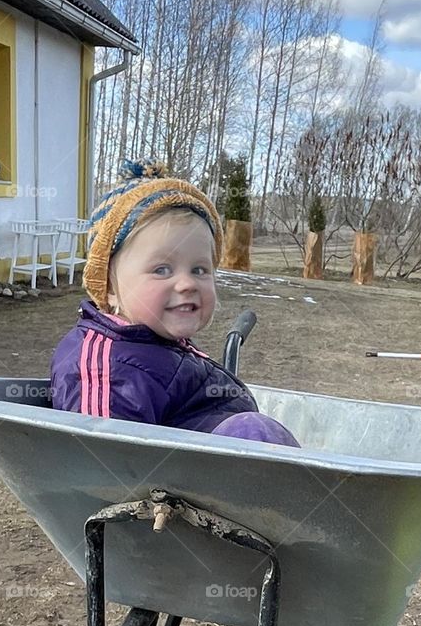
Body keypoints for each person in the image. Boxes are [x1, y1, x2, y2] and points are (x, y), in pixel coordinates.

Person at [49, 159, 299, 446]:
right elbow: (105, 463)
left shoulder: (153, 342)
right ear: (108, 288)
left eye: (200, 270)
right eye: (162, 270)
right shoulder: (104, 368)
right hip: (197, 486)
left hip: (220, 475)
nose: (188, 283)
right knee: (252, 432)